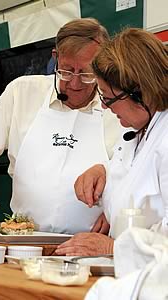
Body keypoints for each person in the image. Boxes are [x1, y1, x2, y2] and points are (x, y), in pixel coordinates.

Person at [0, 18, 121, 234]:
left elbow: (138, 173)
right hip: (25, 241)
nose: (74, 83)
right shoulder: (22, 92)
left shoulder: (118, 105)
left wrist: (116, 210)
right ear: (55, 57)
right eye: (66, 71)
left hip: (90, 247)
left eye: (86, 74)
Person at [55, 27, 168, 252]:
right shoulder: (137, 133)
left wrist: (113, 248)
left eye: (108, 97)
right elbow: (134, 183)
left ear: (139, 92)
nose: (105, 107)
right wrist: (103, 172)